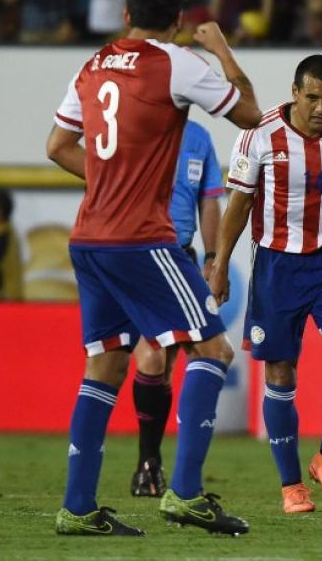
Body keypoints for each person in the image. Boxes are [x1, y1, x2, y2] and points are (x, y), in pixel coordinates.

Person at [46, 0, 262, 536]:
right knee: (213, 350)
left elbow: (56, 145)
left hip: (88, 238)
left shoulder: (93, 65)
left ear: (124, 15)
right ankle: (185, 494)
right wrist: (219, 50)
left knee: (106, 365)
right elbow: (250, 115)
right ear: (178, 22)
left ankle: (77, 506)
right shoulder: (177, 61)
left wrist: (108, 181)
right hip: (141, 240)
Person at [209, 54, 322, 513]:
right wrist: (221, 263)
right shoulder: (259, 136)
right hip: (277, 267)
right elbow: (239, 205)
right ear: (295, 92)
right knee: (281, 374)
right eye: (314, 98)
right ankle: (291, 486)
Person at [130, 118, 223, 497]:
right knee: (154, 358)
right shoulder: (136, 128)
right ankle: (151, 464)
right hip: (140, 253)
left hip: (182, 255)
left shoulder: (199, 137)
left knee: (166, 366)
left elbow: (209, 199)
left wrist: (214, 256)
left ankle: (149, 466)